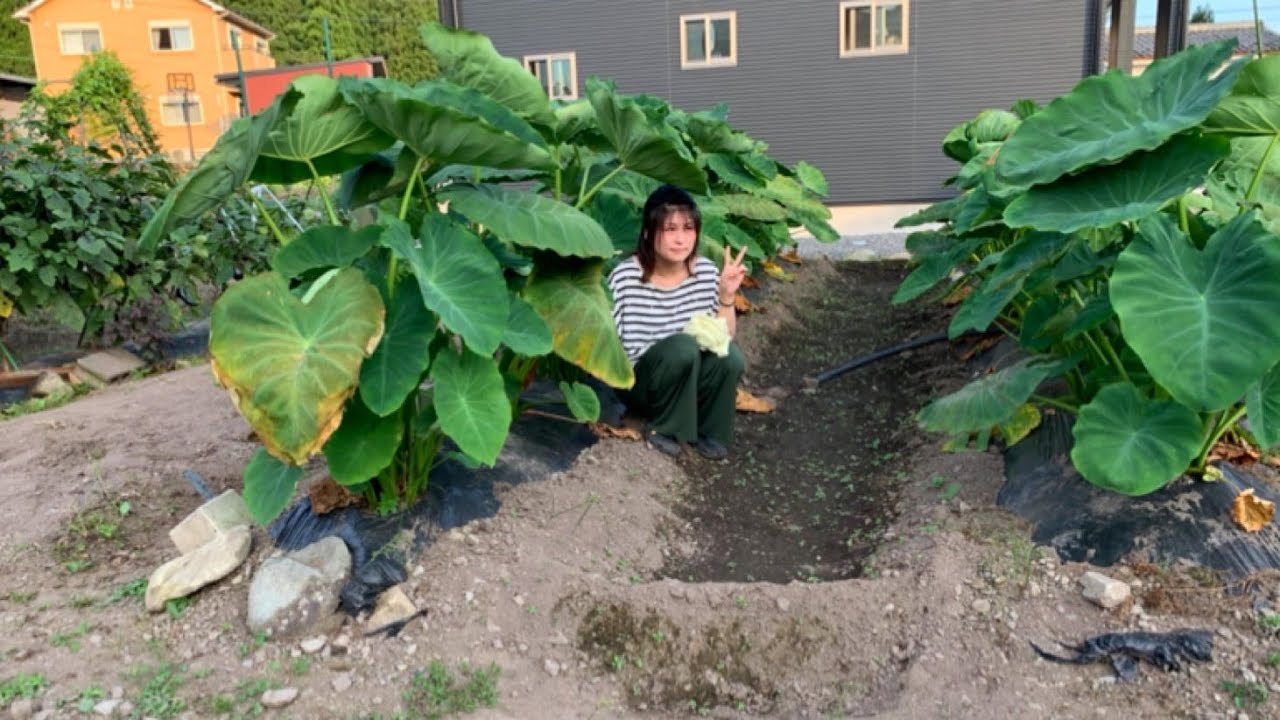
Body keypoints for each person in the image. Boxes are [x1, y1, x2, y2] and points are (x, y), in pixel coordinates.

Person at [607, 185, 747, 460]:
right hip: (640, 383)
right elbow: (610, 347)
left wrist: (726, 296)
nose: (681, 239)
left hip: (688, 380)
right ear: (648, 232)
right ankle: (664, 428)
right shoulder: (625, 278)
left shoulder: (705, 271)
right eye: (670, 229)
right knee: (683, 346)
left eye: (688, 229)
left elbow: (723, 337)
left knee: (730, 356)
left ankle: (711, 431)